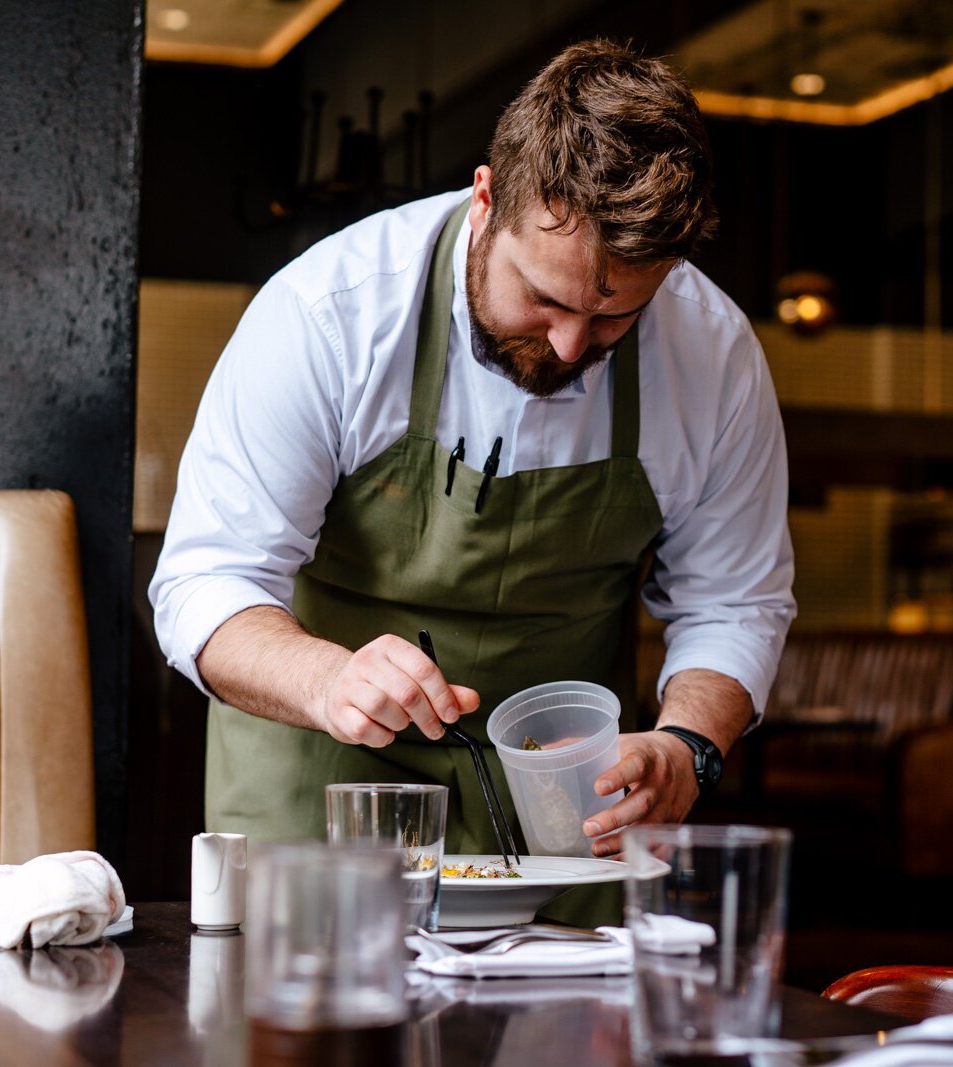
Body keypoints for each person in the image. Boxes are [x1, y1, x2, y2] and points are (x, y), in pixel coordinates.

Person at [150, 40, 796, 887]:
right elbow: (206, 581)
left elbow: (735, 601)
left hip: (564, 814)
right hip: (320, 803)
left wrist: (686, 747)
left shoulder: (711, 351)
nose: (570, 346)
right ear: (488, 198)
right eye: (546, 299)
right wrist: (330, 678)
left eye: (613, 322)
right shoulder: (328, 314)